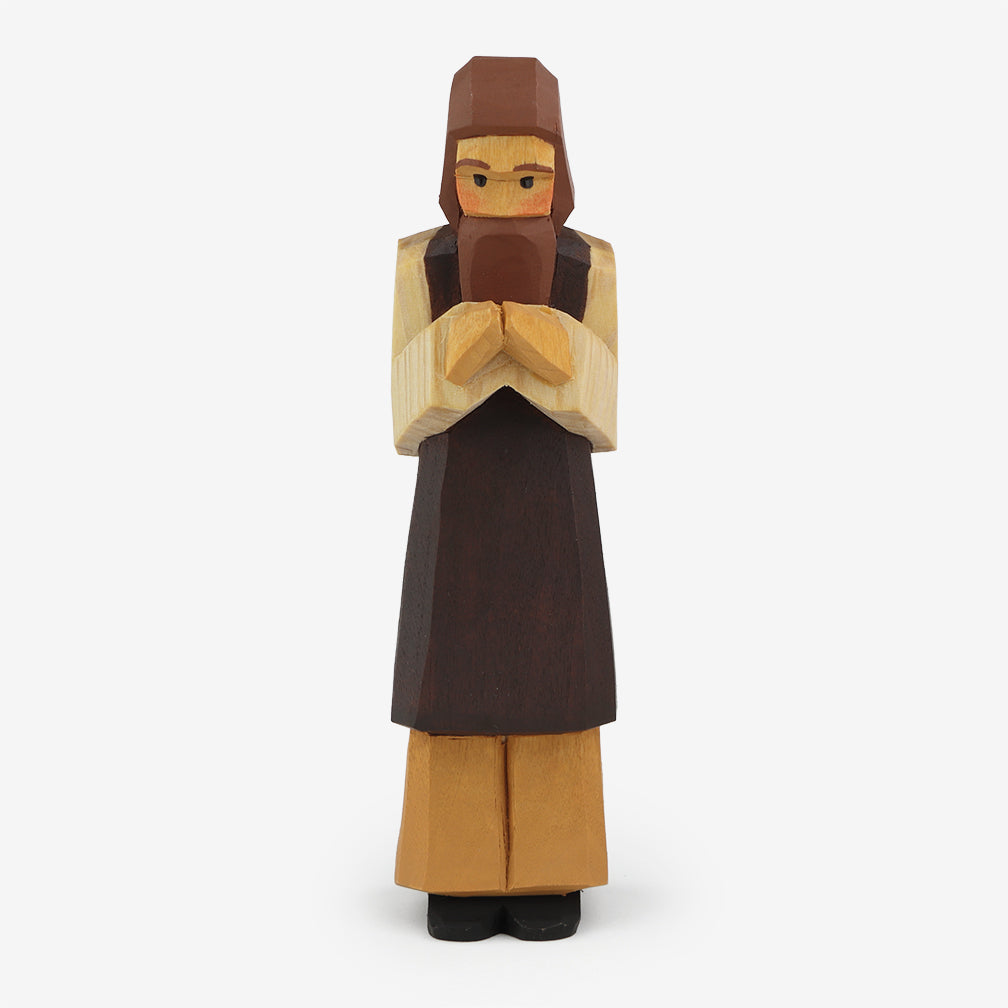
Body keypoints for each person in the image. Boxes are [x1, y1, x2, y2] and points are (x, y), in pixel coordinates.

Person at [389, 57, 619, 941]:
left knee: (556, 677)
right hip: (456, 510)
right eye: (477, 175)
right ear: (448, 175)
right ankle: (457, 866)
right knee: (451, 680)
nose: (502, 194)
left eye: (529, 178)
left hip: (554, 506)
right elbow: (403, 409)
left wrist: (540, 344)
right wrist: (466, 339)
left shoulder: (590, 264)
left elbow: (607, 407)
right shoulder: (423, 262)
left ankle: (554, 866)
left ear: (561, 174)